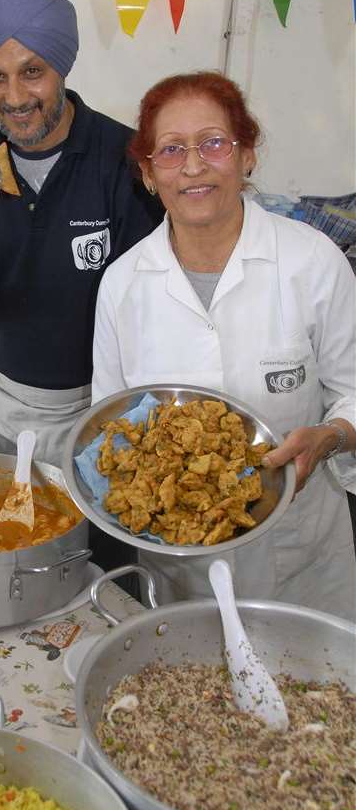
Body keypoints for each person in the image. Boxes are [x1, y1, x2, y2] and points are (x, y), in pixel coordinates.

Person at [92, 71, 356, 620]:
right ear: (146, 173)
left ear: (247, 155)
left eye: (213, 142)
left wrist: (330, 436)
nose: (193, 166)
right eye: (170, 150)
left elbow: (353, 391)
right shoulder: (122, 284)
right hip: (179, 563)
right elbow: (108, 424)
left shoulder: (313, 262)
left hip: (299, 556)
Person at [0, 0, 162, 467]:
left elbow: (154, 310)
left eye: (31, 71)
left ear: (62, 68)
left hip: (105, 410)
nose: (14, 97)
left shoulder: (123, 160)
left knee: (101, 545)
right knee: (12, 539)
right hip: (6, 407)